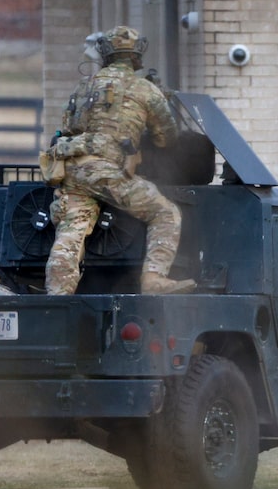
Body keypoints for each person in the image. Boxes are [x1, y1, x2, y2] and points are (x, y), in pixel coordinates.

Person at [43, 25, 195, 295]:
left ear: (106, 55)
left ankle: (57, 296)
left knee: (70, 234)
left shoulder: (83, 86)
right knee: (166, 212)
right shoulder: (145, 89)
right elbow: (167, 138)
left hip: (73, 169)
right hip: (107, 171)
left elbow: (66, 128)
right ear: (136, 57)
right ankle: (153, 279)